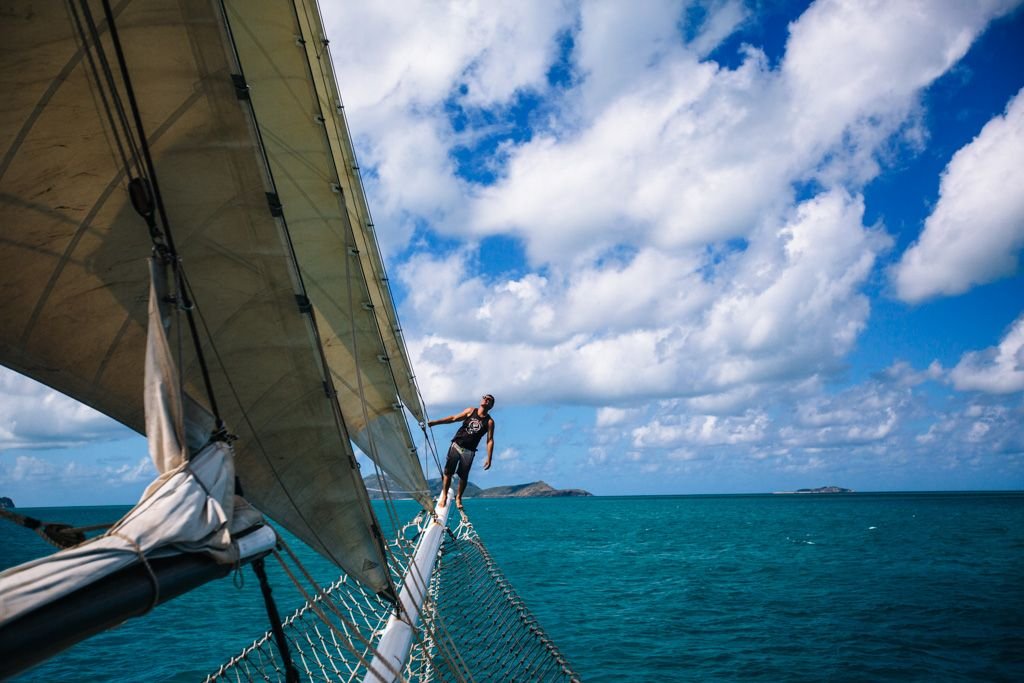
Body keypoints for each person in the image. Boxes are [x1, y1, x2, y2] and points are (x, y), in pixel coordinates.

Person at [427, 394, 495, 510]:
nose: (486, 399)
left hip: (469, 451)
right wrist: (435, 422)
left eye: (489, 400)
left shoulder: (489, 422)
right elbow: (453, 418)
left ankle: (458, 498)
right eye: (484, 397)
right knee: (448, 473)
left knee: (463, 477)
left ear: (491, 405)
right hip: (456, 445)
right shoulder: (470, 411)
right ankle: (444, 497)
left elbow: (489, 440)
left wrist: (489, 458)